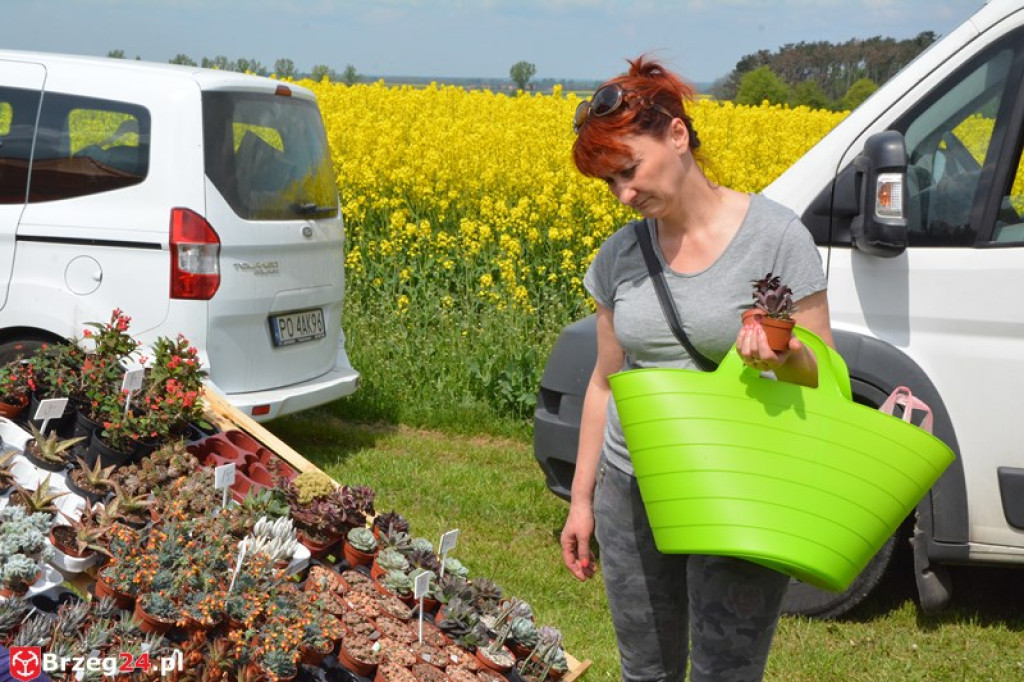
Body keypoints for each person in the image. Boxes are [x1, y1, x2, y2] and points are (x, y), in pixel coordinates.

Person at [559, 56, 835, 682]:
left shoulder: (776, 240)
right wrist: (581, 502)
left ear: (677, 136)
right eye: (610, 184)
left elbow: (824, 375)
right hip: (632, 490)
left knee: (725, 672)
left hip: (738, 489)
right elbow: (605, 381)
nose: (624, 195)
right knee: (645, 672)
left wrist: (786, 354)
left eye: (629, 170)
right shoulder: (620, 257)